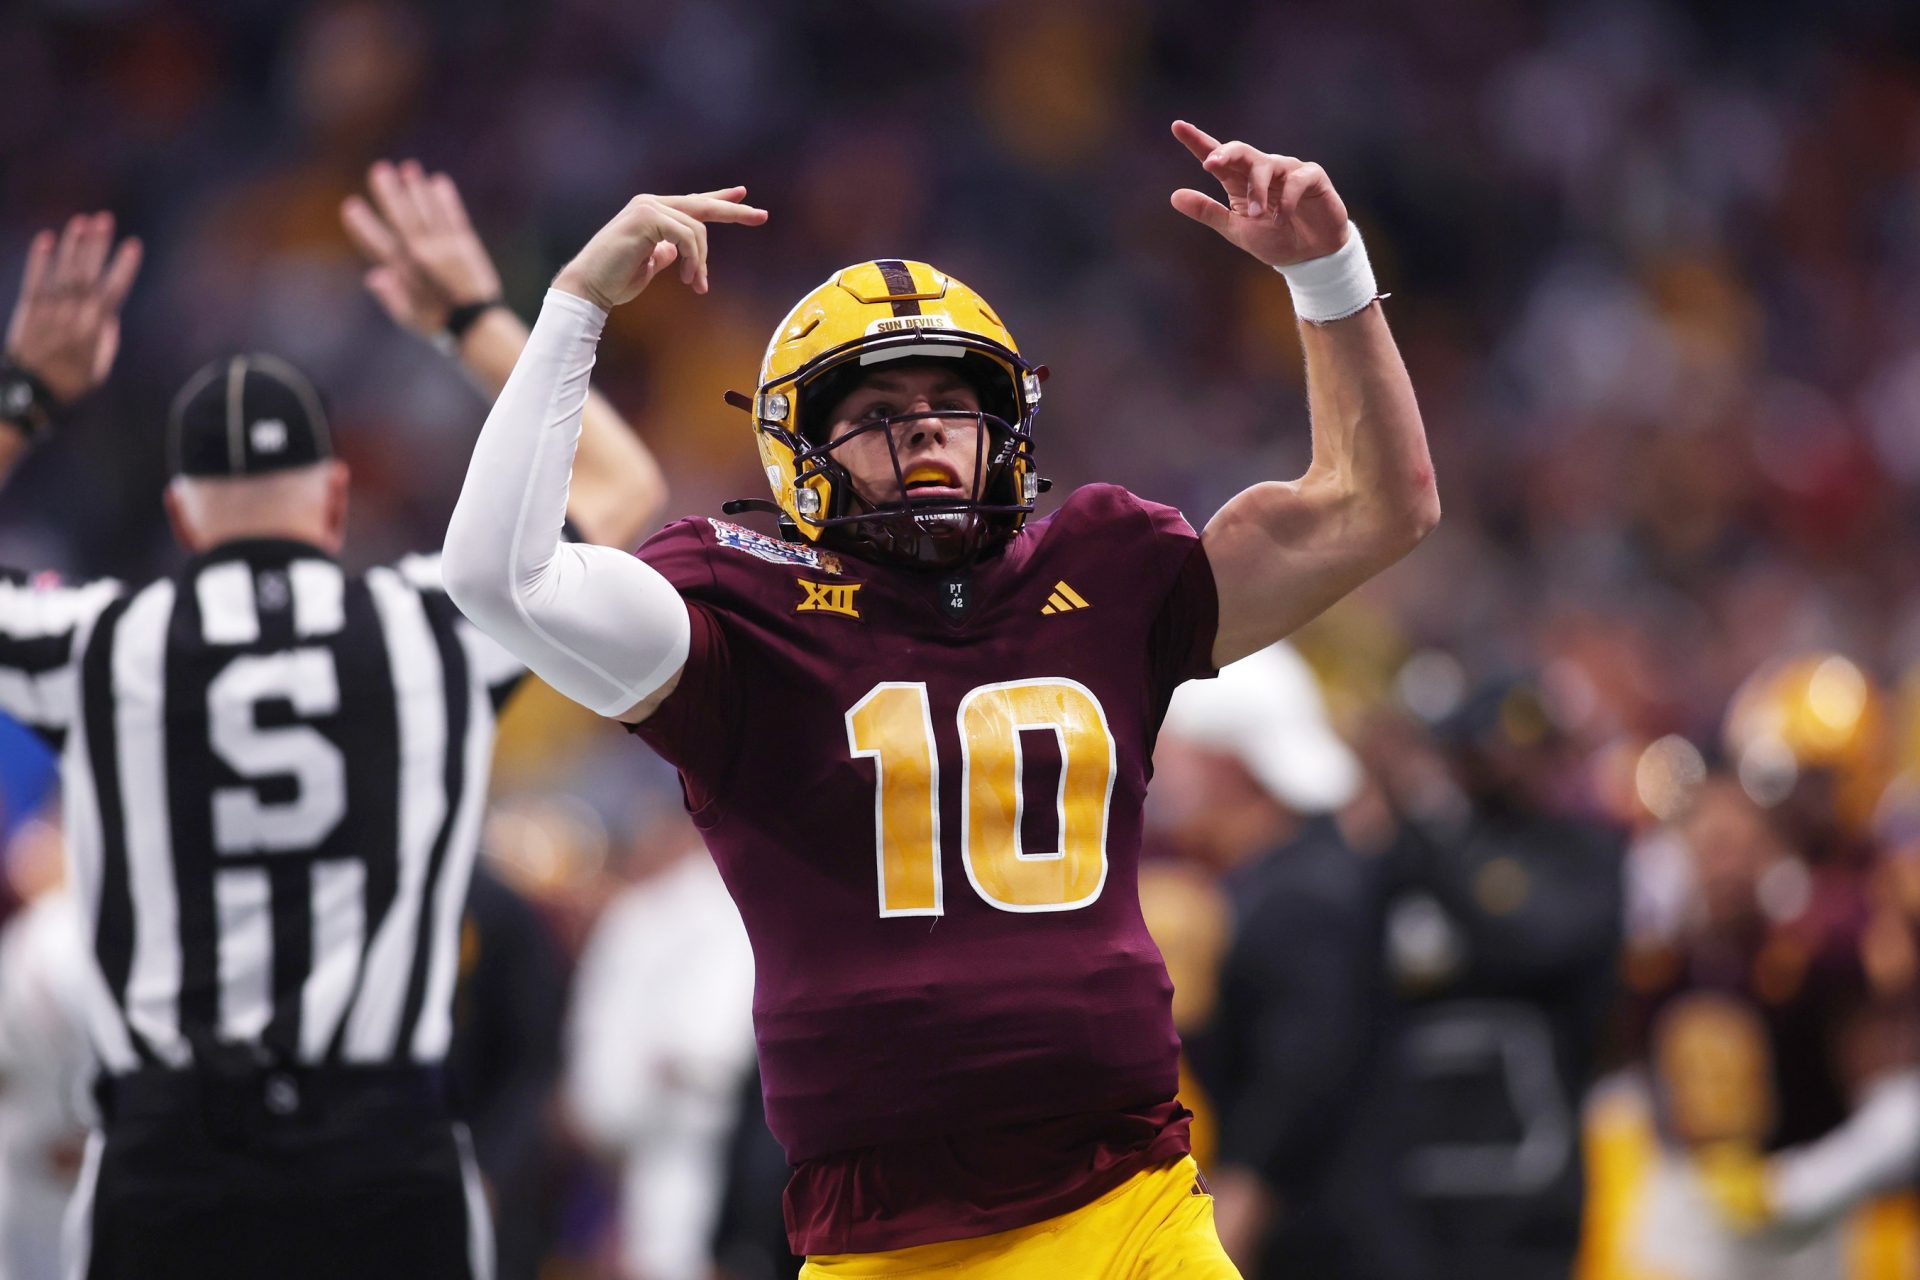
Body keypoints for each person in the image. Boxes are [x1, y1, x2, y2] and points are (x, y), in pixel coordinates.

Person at [442, 121, 1439, 1276]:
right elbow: (496, 576)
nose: (921, 424)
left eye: (950, 400)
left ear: (1004, 426)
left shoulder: (1110, 572)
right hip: (891, 1243)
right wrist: (575, 302)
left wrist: (1329, 274)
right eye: (871, 411)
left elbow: (1383, 506)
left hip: (1133, 1212)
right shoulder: (740, 610)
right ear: (798, 453)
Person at [0, 163, 660, 1280]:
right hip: (383, 1151)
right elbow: (624, 486)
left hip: (172, 1153)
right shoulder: (429, 625)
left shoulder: (101, 641)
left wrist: (26, 397)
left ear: (178, 517)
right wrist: (472, 317)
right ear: (336, 498)